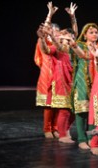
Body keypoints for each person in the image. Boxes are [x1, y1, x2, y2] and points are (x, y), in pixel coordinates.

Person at [34, 1, 77, 139]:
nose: (52, 32)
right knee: (49, 104)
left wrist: (72, 17)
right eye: (50, 31)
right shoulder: (45, 42)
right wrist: (49, 15)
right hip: (48, 74)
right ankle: (48, 128)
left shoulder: (61, 43)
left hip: (62, 76)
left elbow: (74, 33)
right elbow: (44, 46)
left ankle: (57, 128)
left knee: (60, 104)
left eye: (55, 31)